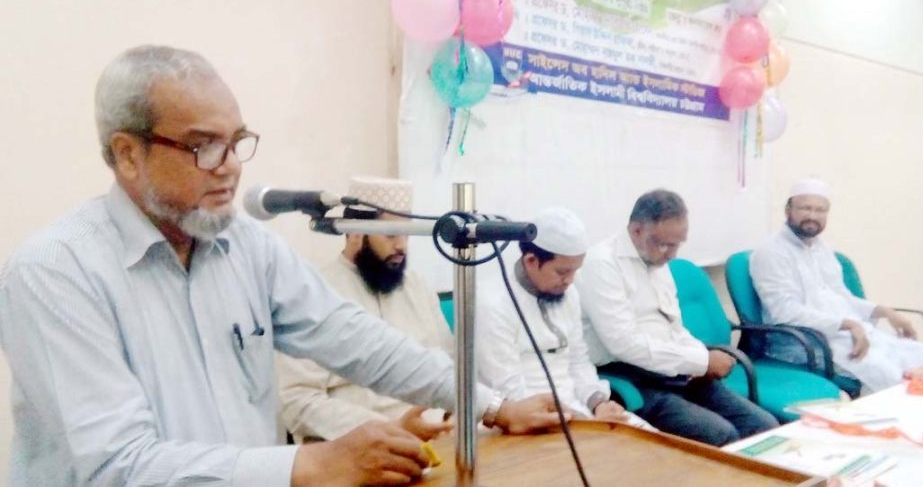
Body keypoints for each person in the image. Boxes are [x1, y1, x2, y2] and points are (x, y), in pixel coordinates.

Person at [0, 45, 563, 487]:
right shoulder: (55, 273)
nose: (229, 170)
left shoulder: (245, 246)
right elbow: (118, 467)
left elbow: (358, 340)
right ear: (128, 154)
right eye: (203, 147)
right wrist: (309, 467)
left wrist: (489, 404)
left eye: (236, 142)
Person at [576, 189, 778, 446]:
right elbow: (624, 344)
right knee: (721, 434)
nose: (672, 254)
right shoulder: (602, 264)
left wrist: (698, 359)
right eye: (665, 244)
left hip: (674, 369)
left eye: (678, 244)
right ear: (637, 230)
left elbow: (674, 327)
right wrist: (701, 360)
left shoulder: (657, 261)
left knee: (762, 426)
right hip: (631, 376)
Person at [278, 176, 454, 442]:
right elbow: (297, 400)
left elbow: (449, 368)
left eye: (407, 234)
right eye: (391, 234)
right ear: (355, 232)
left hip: (437, 442)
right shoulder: (315, 293)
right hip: (356, 450)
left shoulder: (417, 287)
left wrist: (456, 413)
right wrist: (390, 430)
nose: (402, 246)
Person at [476, 207, 650, 427]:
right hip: (526, 421)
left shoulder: (568, 293)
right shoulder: (492, 302)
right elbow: (507, 388)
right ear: (531, 261)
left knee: (654, 443)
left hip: (578, 411)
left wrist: (598, 402)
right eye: (562, 272)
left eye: (575, 271)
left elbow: (578, 361)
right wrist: (581, 420)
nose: (570, 280)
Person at [750, 178, 923, 392]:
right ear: (788, 210)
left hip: (845, 335)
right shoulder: (771, 252)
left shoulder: (821, 248)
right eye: (805, 208)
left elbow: (842, 297)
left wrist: (885, 312)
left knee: (917, 354)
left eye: (820, 210)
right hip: (806, 343)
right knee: (888, 375)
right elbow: (784, 312)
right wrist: (849, 324)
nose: (812, 216)